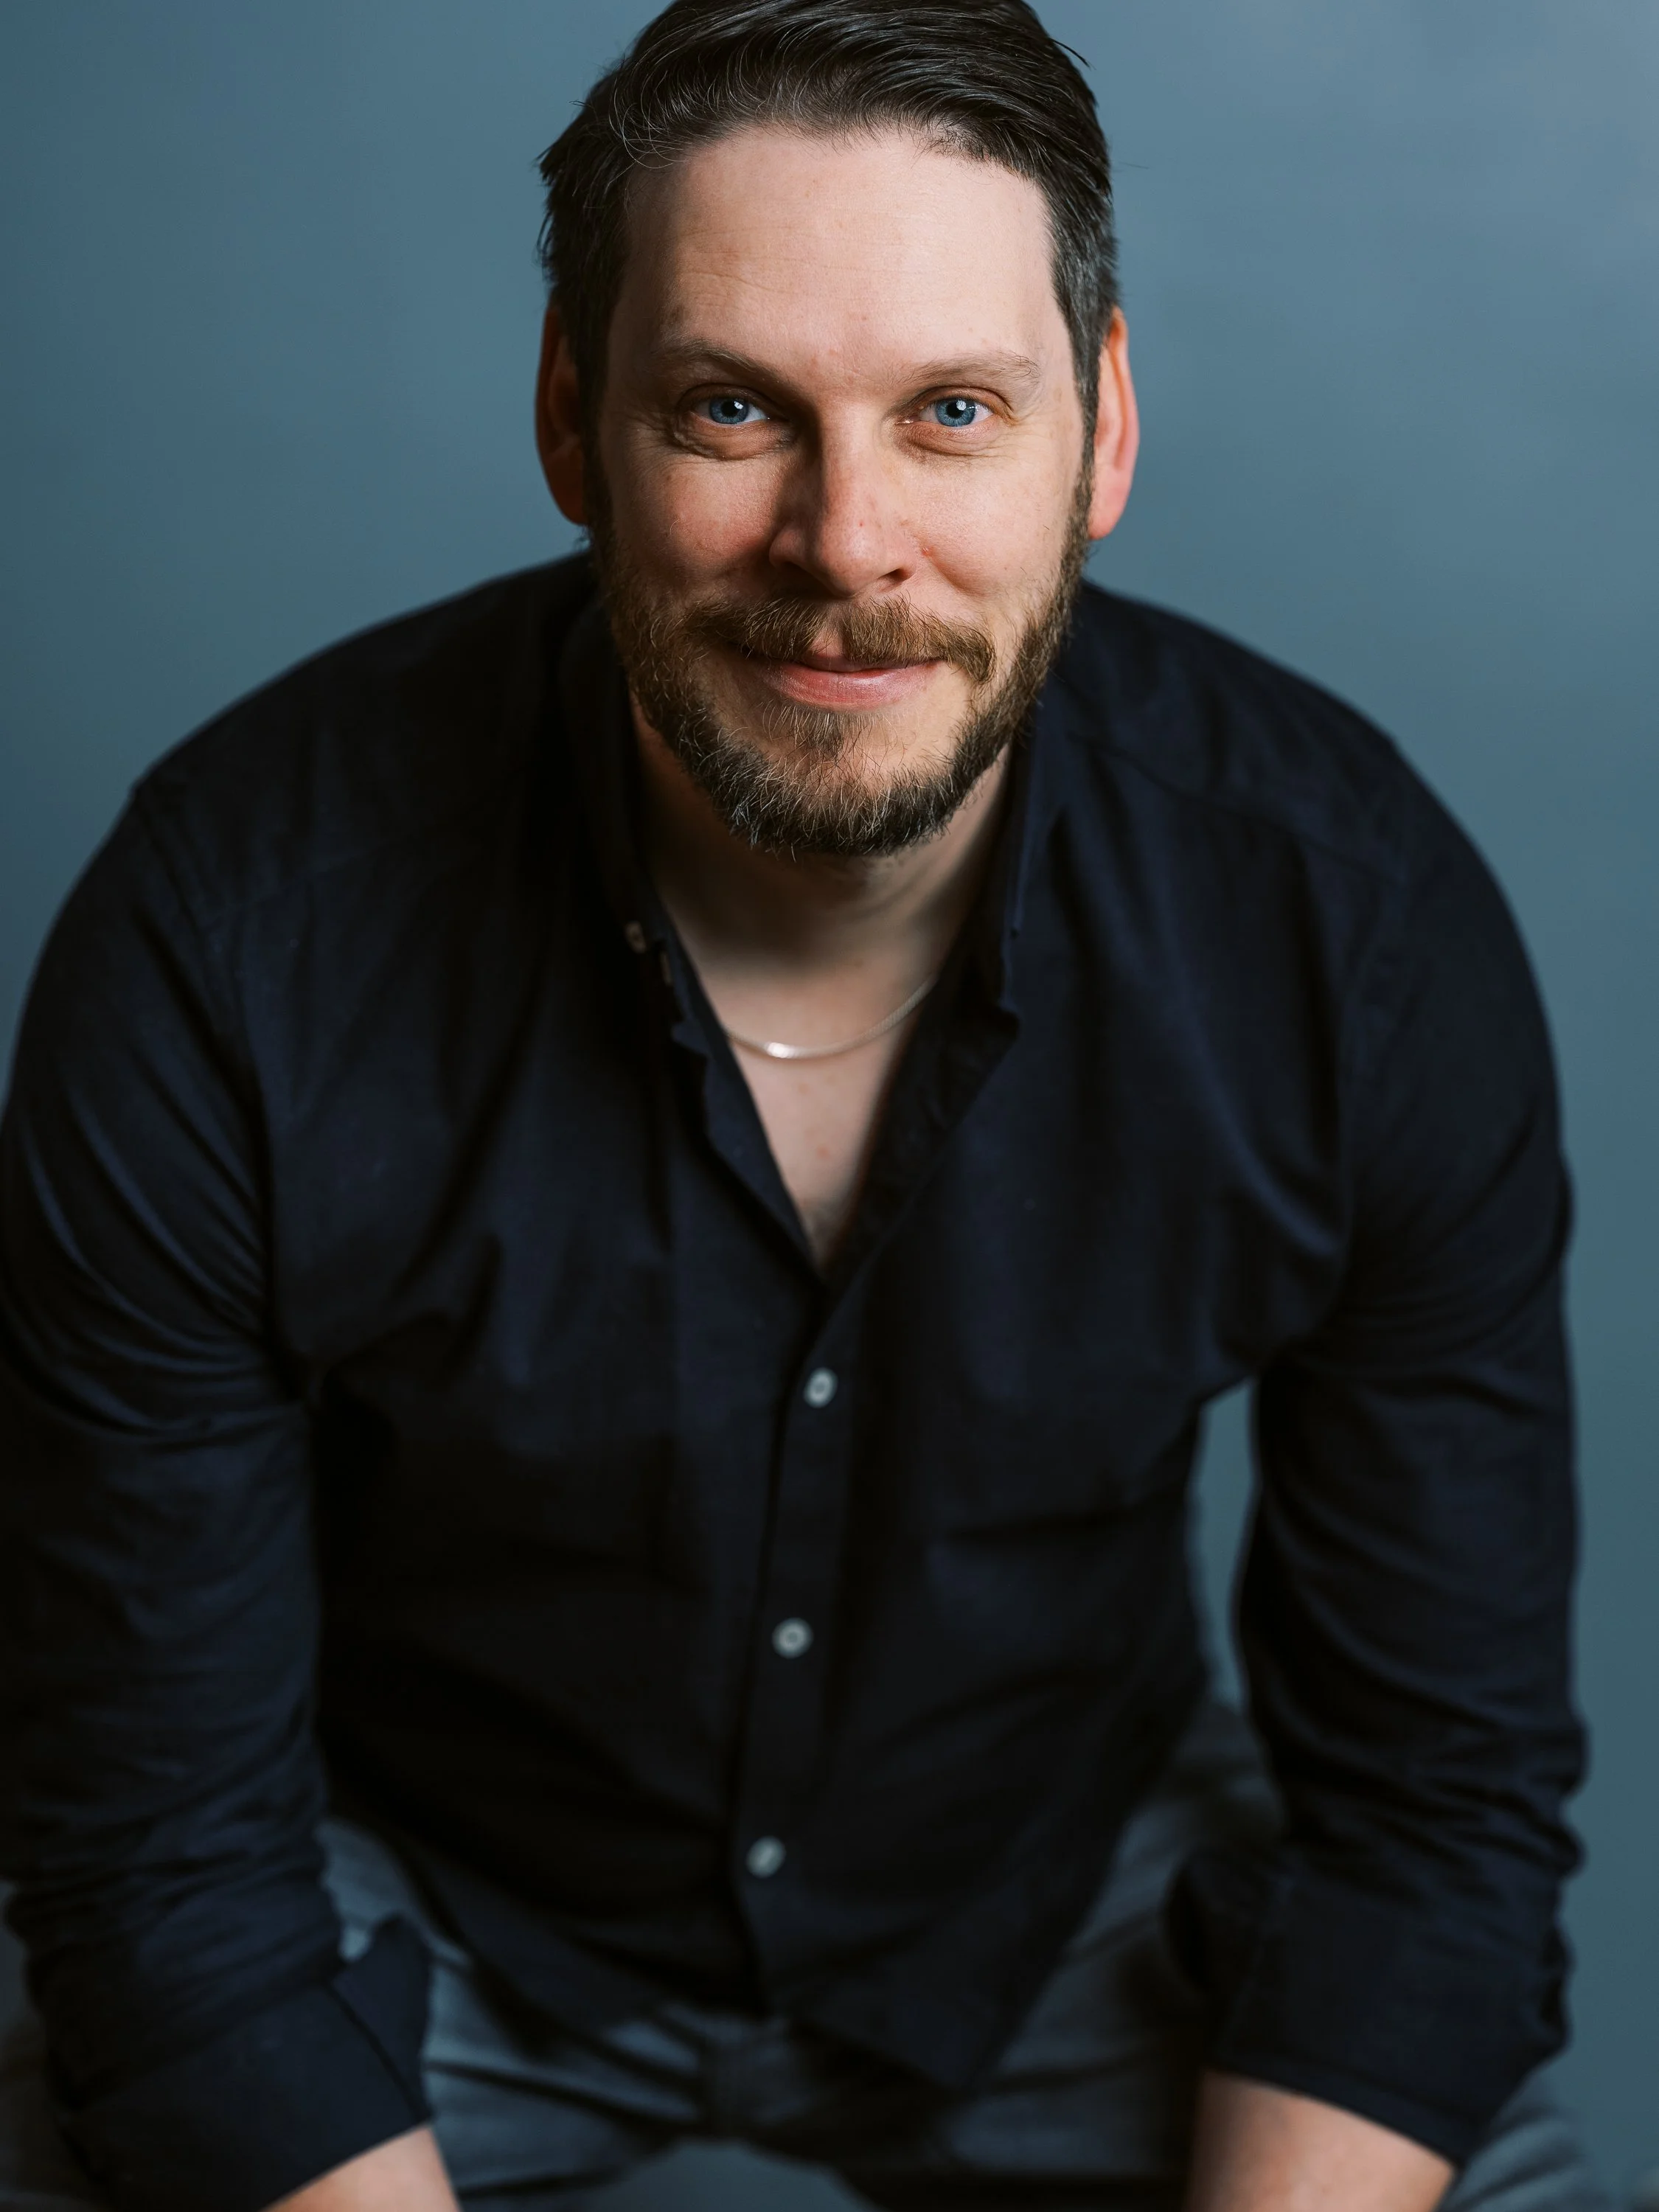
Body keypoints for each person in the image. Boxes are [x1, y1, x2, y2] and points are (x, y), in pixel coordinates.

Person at [0, 3, 1607, 2208]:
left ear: (1101, 432)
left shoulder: (1355, 928)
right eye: (733, 409)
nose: (848, 543)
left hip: (1068, 1899)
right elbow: (154, 1853)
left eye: (952, 411)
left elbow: (1436, 1802)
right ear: (574, 420)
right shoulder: (233, 932)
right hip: (421, 1909)